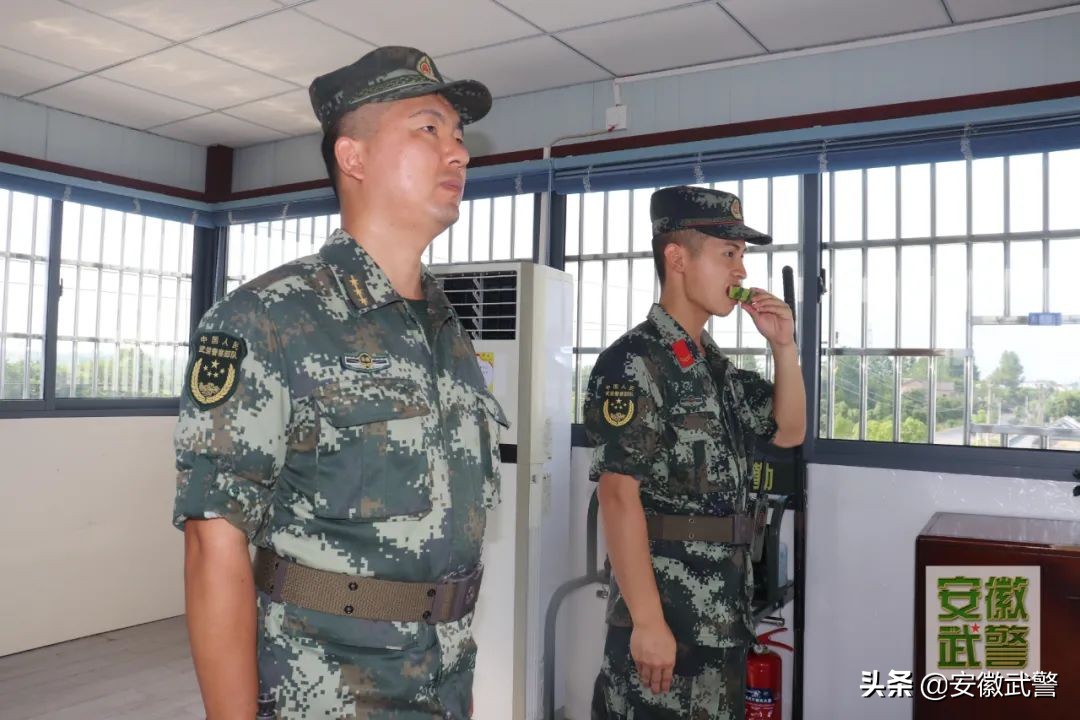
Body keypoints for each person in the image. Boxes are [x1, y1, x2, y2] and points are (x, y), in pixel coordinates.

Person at [173, 45, 507, 719]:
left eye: (460, 136)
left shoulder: (444, 328)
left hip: (446, 680)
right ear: (353, 158)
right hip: (324, 689)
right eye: (429, 129)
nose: (459, 153)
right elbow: (215, 543)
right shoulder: (266, 319)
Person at [586, 185, 806, 718]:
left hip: (722, 618)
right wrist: (648, 623)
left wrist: (784, 345)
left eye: (743, 257)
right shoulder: (635, 363)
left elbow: (789, 431)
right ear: (677, 258)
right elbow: (618, 498)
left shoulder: (710, 364)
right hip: (667, 623)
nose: (740, 271)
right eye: (728, 254)